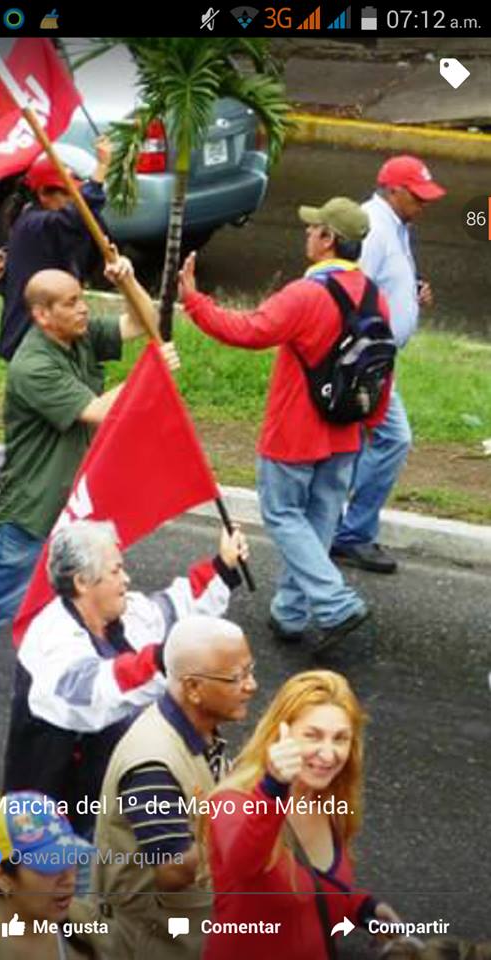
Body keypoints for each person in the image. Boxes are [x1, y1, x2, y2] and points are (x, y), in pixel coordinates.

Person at [0, 258, 178, 736]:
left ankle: (75, 700)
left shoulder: (76, 335)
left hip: (71, 513)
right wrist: (150, 375)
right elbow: (97, 411)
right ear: (42, 315)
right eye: (72, 302)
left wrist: (128, 280)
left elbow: (145, 322)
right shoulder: (33, 366)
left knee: (77, 609)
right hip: (30, 515)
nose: (83, 308)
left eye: (83, 297)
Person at [179, 197, 391, 650]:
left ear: (329, 239)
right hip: (346, 433)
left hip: (295, 431)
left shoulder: (306, 293)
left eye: (313, 228)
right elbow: (382, 367)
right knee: (317, 524)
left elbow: (248, 330)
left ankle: (334, 603)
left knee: (282, 515)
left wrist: (193, 301)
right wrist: (369, 422)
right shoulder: (375, 295)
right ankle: (290, 614)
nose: (306, 233)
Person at [3, 519, 249, 836]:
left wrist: (223, 566)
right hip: (55, 823)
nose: (127, 578)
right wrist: (165, 658)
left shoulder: (123, 612)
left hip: (113, 799)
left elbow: (175, 609)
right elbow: (99, 690)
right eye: (116, 570)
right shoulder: (51, 641)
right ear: (82, 582)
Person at [0, 138, 113, 519]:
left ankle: (5, 477)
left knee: (54, 416)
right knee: (60, 414)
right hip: (33, 341)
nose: (73, 199)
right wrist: (102, 169)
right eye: (67, 192)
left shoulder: (44, 227)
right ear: (44, 194)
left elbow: (84, 234)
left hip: (51, 335)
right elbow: (77, 217)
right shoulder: (36, 223)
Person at [200, 670, 400, 960]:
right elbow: (242, 865)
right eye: (312, 736)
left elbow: (310, 894)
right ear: (278, 734)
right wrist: (274, 786)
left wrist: (363, 909)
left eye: (341, 739)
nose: (329, 755)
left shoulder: (325, 800)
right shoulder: (232, 802)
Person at [92, 615, 257, 959]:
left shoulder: (197, 728)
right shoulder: (153, 765)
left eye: (250, 670)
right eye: (236, 677)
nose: (251, 685)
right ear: (193, 688)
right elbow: (175, 870)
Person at [332, 155, 446, 574]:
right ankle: (350, 534)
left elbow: (379, 282)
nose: (424, 205)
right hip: (367, 359)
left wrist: (409, 292)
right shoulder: (373, 226)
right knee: (394, 439)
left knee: (354, 446)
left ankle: (336, 528)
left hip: (377, 358)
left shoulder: (397, 225)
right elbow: (353, 287)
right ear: (393, 191)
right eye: (417, 197)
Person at [0, 792, 106, 959]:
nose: (69, 879)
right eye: (51, 866)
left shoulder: (87, 922)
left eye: (72, 858)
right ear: (1, 877)